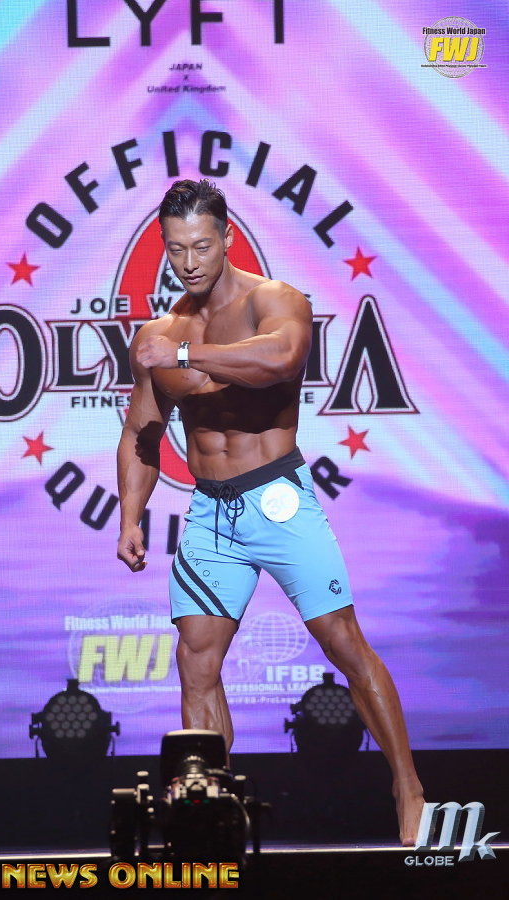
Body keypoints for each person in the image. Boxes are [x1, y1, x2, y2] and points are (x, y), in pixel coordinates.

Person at [117, 179, 424, 846]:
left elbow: (281, 359)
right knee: (196, 662)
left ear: (227, 237)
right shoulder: (159, 334)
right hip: (210, 513)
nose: (190, 262)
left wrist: (183, 356)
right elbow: (141, 431)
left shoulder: (273, 300)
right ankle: (211, 816)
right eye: (177, 250)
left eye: (202, 246)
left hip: (278, 496)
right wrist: (131, 517)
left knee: (342, 641)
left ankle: (407, 785)